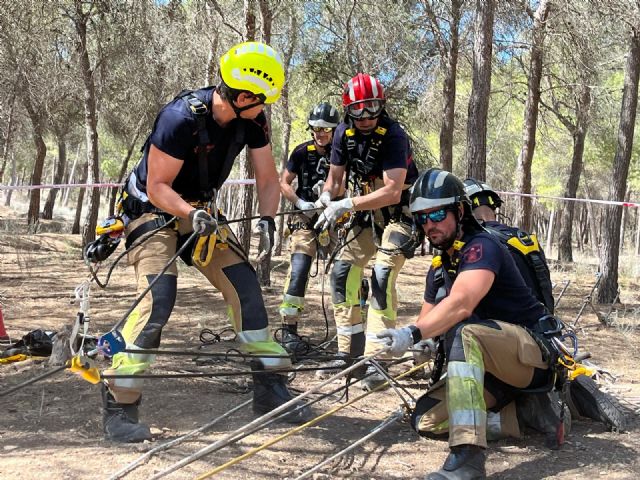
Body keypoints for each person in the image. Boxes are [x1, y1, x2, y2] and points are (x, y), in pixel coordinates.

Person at [101, 41, 310, 443]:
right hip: (152, 210)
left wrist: (267, 221)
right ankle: (119, 400)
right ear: (242, 94)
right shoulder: (179, 118)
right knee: (157, 301)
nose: (265, 107)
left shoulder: (253, 121)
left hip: (199, 212)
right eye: (261, 100)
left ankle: (270, 388)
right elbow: (158, 186)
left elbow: (267, 178)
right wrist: (191, 215)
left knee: (246, 291)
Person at [376, 168, 566, 479]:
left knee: (466, 335)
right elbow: (429, 319)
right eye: (422, 217)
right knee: (426, 419)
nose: (429, 224)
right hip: (490, 370)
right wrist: (425, 341)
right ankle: (521, 415)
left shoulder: (482, 247)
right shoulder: (441, 266)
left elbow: (462, 303)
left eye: (437, 213)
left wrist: (410, 334)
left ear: (460, 210)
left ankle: (467, 458)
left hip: (530, 356)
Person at [314, 73, 420, 390]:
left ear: (381, 105)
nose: (365, 116)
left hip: (398, 215)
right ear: (348, 109)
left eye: (371, 106)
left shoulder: (394, 135)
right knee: (343, 273)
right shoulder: (342, 134)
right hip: (364, 214)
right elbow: (335, 180)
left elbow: (391, 191)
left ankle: (378, 361)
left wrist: (346, 203)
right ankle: (347, 355)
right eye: (358, 108)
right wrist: (326, 198)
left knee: (382, 277)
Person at [279, 102, 340, 354]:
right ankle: (288, 331)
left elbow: (344, 181)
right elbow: (283, 182)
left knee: (344, 275)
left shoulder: (341, 152)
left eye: (326, 129)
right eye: (315, 128)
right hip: (304, 223)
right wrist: (299, 202)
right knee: (299, 271)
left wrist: (332, 199)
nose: (320, 133)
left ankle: (349, 336)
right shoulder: (301, 152)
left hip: (334, 222)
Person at [463, 178, 554, 313]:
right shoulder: (525, 239)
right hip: (542, 325)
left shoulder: (478, 244)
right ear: (494, 206)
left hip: (504, 330)